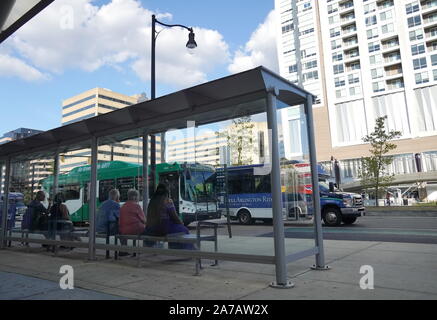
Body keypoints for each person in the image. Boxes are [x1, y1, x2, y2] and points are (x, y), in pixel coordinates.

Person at [145, 184, 194, 250]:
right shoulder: (167, 201)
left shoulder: (151, 201)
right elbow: (174, 216)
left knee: (176, 230)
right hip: (163, 228)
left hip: (151, 229)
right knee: (184, 229)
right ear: (167, 192)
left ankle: (175, 248)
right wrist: (181, 223)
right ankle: (186, 250)